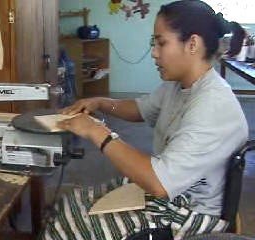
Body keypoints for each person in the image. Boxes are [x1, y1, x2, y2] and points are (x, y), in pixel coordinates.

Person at [40, 1, 248, 239]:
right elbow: (141, 109)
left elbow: (159, 183)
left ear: (192, 44)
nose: (154, 52)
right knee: (71, 203)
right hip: (169, 192)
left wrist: (97, 132)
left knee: (69, 227)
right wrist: (100, 102)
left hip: (189, 214)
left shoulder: (212, 106)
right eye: (154, 43)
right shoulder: (179, 85)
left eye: (161, 43)